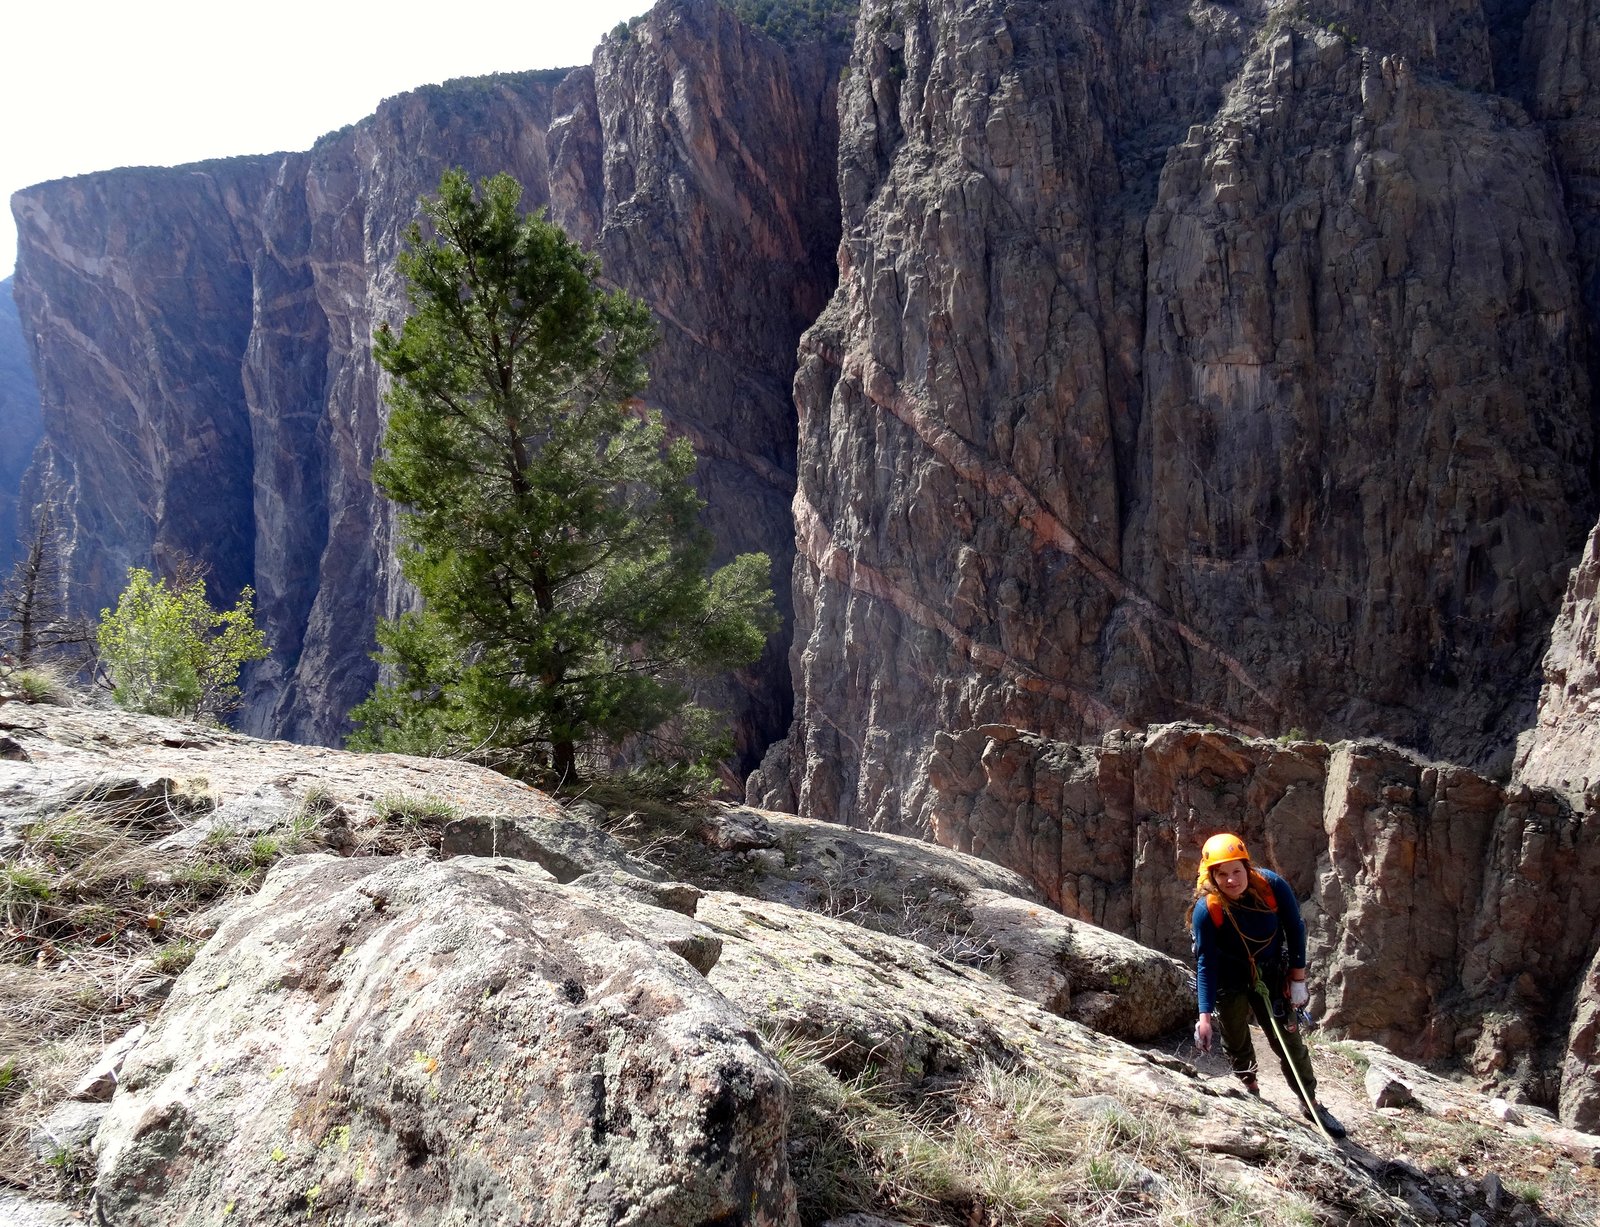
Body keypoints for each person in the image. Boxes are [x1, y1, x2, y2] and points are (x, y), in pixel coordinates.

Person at [1190, 832, 1346, 1138]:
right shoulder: (1207, 910)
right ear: (1212, 876)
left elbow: (1295, 928)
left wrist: (1297, 978)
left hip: (1271, 974)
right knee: (1235, 1038)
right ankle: (1251, 1086)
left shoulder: (1271, 887)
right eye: (1222, 874)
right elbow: (1206, 963)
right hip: (1230, 980)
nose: (1231, 880)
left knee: (1289, 1042)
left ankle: (1310, 1102)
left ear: (1247, 867)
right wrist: (1204, 1017)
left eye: (1236, 871)